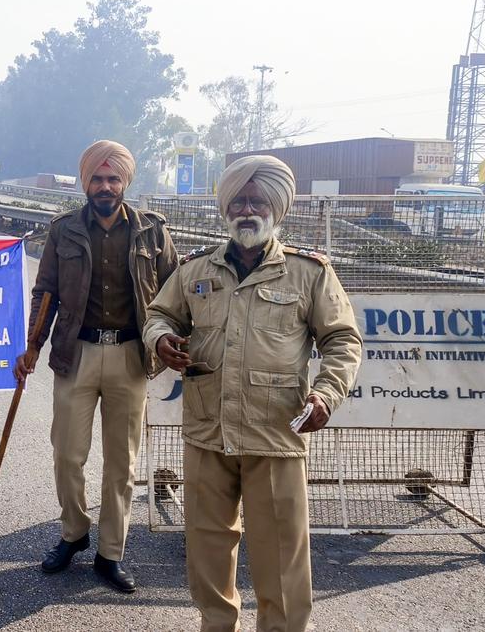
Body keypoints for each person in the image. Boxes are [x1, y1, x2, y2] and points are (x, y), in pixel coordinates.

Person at [142, 155, 362, 631]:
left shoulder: (309, 273)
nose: (247, 209)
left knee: (281, 555)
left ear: (276, 208)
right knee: (207, 549)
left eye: (257, 200)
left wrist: (326, 393)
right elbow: (159, 315)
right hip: (207, 430)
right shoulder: (194, 269)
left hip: (277, 432)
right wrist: (161, 338)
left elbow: (342, 340)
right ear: (225, 208)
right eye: (238, 199)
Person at [15, 140, 177, 592]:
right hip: (77, 353)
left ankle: (110, 553)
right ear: (86, 182)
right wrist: (32, 346)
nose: (105, 186)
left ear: (125, 182)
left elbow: (173, 291)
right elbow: (44, 291)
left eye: (113, 179)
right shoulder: (63, 230)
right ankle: (74, 532)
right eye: (97, 179)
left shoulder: (152, 231)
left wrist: (172, 341)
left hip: (130, 356)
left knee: (121, 464)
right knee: (67, 454)